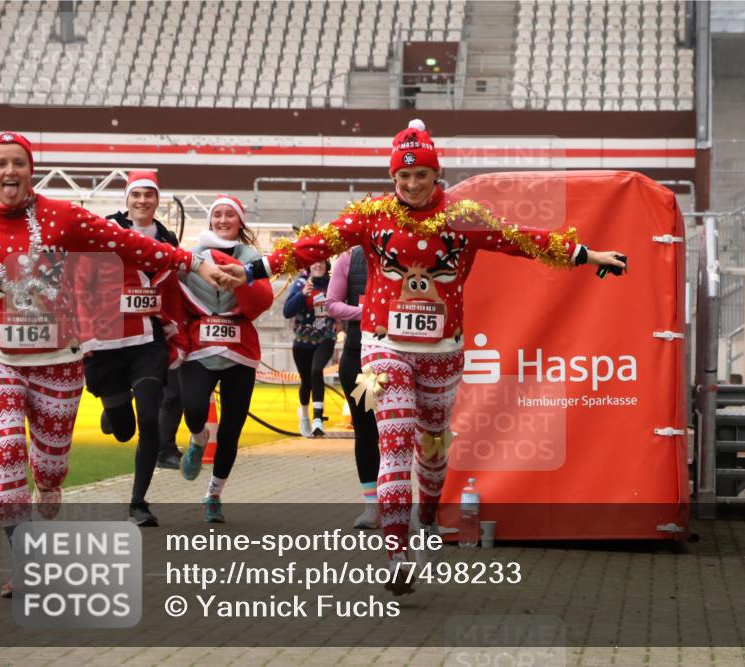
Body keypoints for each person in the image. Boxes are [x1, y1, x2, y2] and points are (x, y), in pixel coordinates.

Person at [221, 119, 626, 594]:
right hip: (382, 346)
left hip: (443, 351)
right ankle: (398, 552)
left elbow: (519, 238)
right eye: (403, 177)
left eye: (421, 175)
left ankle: (429, 513)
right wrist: (250, 270)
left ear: (437, 175)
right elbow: (316, 244)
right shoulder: (369, 215)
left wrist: (587, 254)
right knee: (394, 445)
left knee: (433, 445)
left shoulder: (464, 214)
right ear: (392, 179)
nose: (412, 185)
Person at [0, 132, 226, 597]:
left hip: (58, 359)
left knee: (49, 469)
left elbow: (128, 243)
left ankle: (48, 491)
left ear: (31, 170)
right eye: (1, 163)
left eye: (19, 163)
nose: (10, 172)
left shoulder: (62, 217)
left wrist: (190, 262)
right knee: (7, 451)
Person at [76, 171, 188, 526]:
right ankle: (113, 410)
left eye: (149, 195)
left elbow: (171, 289)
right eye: (136, 194)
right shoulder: (104, 230)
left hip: (146, 342)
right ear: (127, 198)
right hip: (106, 342)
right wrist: (82, 332)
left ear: (158, 200)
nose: (143, 201)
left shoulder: (167, 239)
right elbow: (79, 280)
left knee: (151, 419)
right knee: (123, 430)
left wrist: (176, 333)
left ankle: (138, 503)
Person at [176, 195, 273, 523]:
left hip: (239, 351)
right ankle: (198, 437)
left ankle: (214, 494)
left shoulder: (252, 258)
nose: (222, 220)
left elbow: (260, 301)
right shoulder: (193, 256)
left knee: (232, 429)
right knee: (193, 407)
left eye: (229, 215)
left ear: (240, 221)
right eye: (216, 214)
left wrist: (240, 275)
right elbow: (174, 292)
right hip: (199, 347)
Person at [326, 246, 380, 529]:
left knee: (405, 433)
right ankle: (373, 506)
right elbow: (332, 304)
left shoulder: (409, 249)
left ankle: (413, 506)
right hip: (363, 361)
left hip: (405, 356)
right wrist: (370, 311)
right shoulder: (350, 257)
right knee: (368, 430)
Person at [283, 260, 336, 437]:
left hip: (325, 338)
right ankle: (304, 415)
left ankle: (318, 419)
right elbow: (287, 311)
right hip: (302, 341)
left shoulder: (333, 283)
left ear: (327, 264)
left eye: (321, 262)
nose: (318, 265)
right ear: (308, 265)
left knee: (316, 371)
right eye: (313, 262)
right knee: (306, 382)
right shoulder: (300, 282)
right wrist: (302, 294)